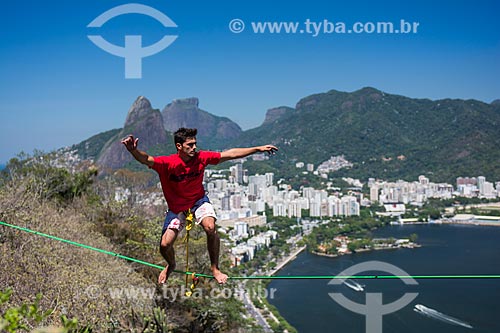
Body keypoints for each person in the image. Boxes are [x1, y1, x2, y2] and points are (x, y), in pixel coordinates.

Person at [121, 128, 278, 284]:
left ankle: (215, 268)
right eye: (190, 145)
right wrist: (133, 151)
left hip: (198, 201)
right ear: (179, 146)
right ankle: (171, 264)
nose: (194, 147)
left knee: (210, 228)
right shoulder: (168, 163)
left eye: (195, 144)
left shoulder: (201, 157)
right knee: (164, 245)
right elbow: (147, 159)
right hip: (177, 208)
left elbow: (229, 154)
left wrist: (257, 149)